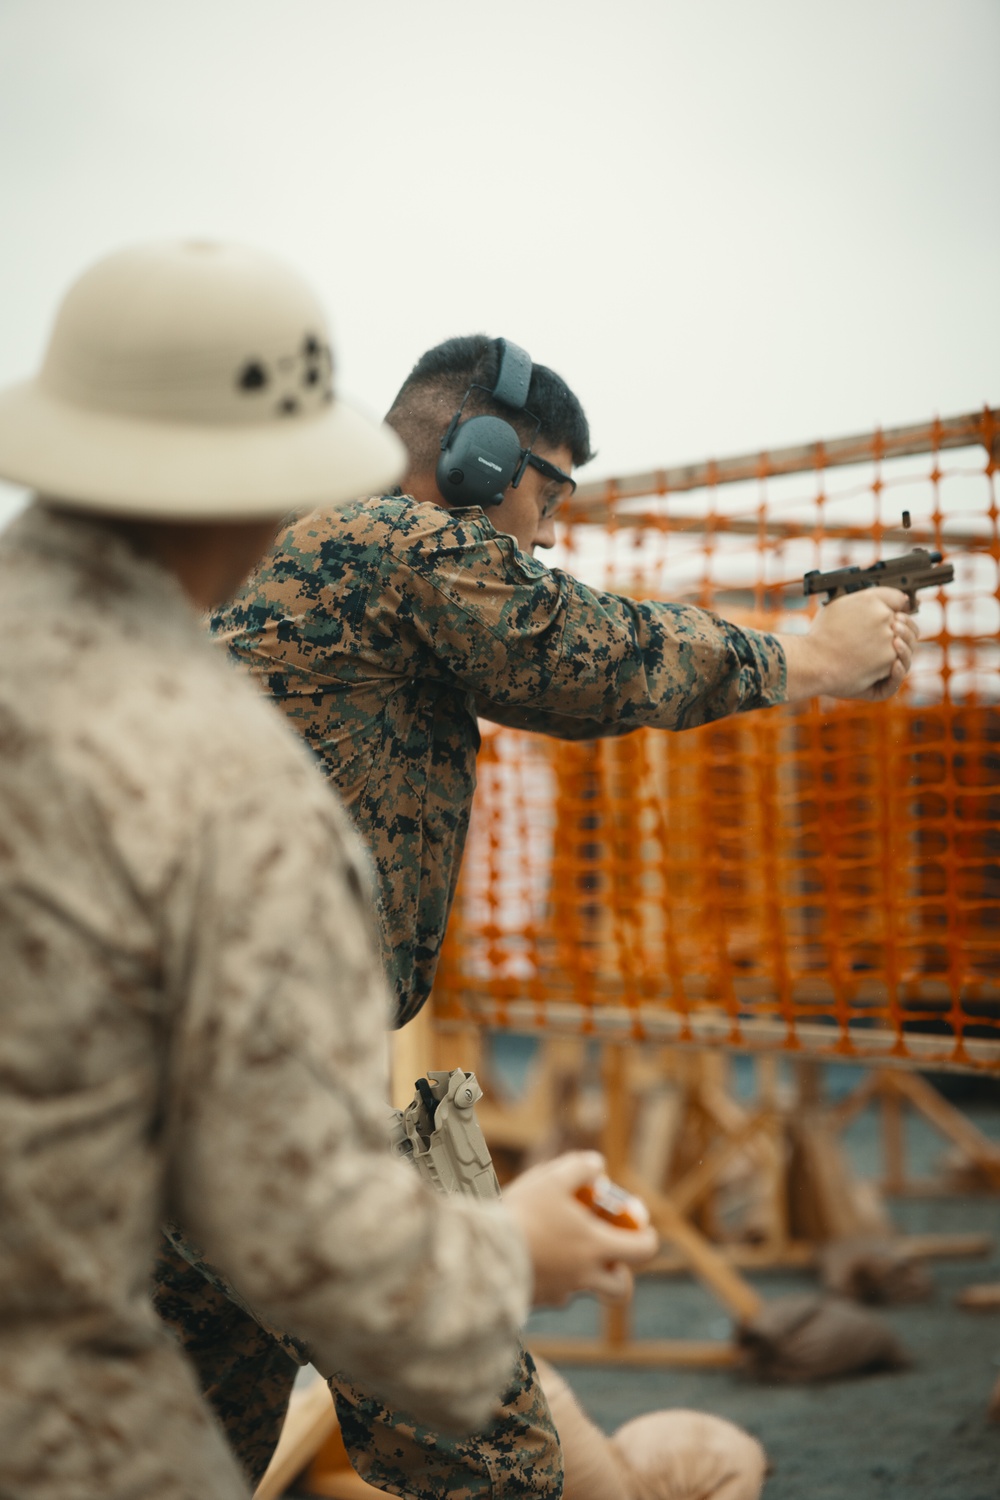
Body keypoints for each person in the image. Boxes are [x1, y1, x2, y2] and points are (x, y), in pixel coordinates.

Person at [205, 333, 918, 1498]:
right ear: (479, 457)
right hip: (271, 1105)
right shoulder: (389, 538)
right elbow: (580, 654)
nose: (550, 528)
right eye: (551, 489)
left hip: (184, 1089)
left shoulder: (285, 544)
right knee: (497, 1468)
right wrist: (807, 656)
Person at [0, 249, 640, 1500]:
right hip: (68, 1405)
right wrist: (511, 1250)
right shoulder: (225, 779)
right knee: (495, 1458)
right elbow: (300, 1212)